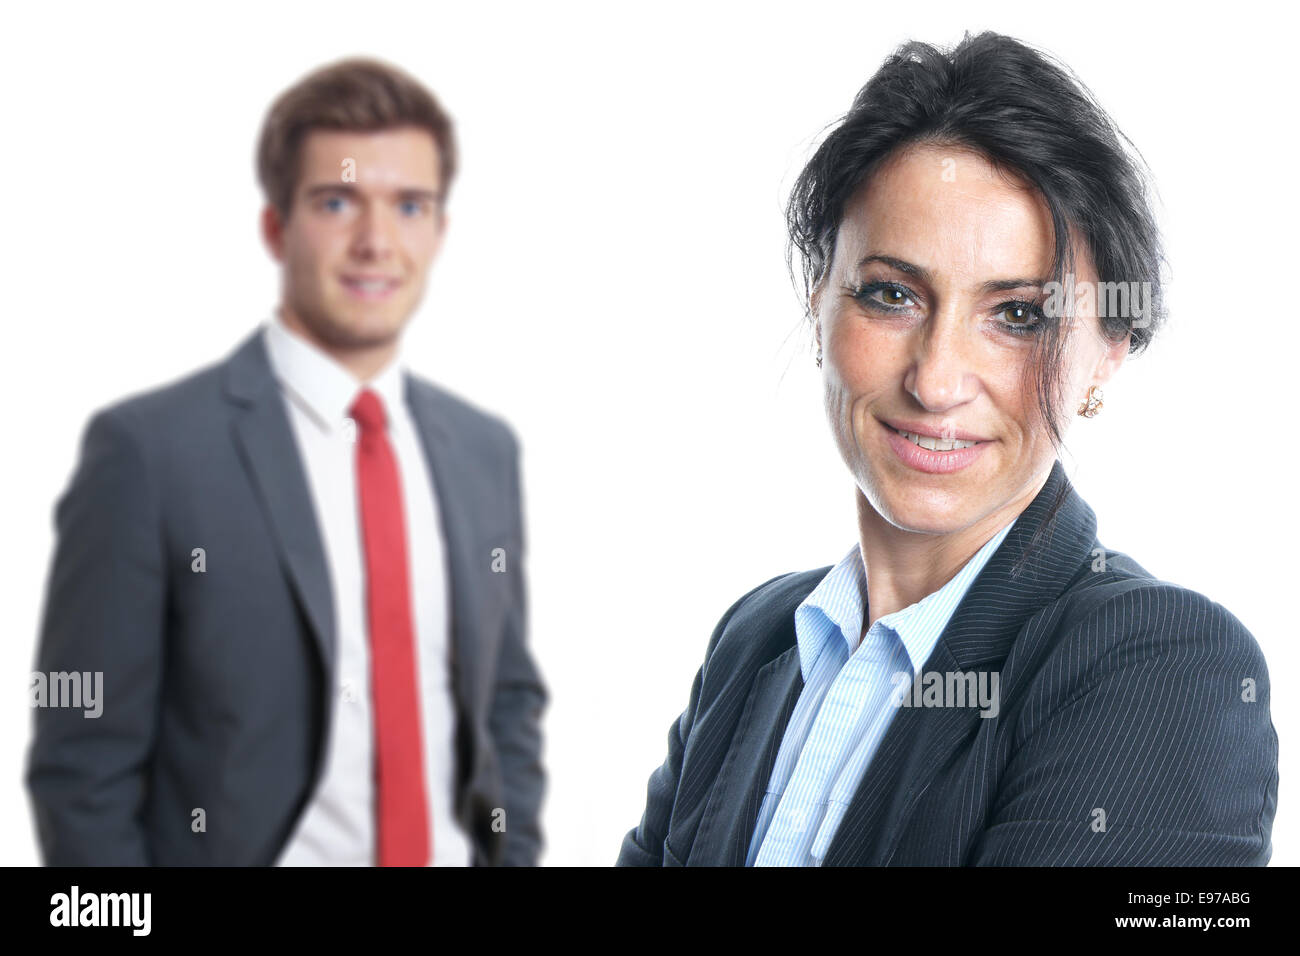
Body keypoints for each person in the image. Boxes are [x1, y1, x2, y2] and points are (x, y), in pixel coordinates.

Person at [617, 32, 1277, 866]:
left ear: (1108, 350)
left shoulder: (1167, 671)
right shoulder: (757, 642)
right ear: (820, 300)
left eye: (1018, 316)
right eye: (891, 295)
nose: (936, 381)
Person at [26, 57, 546, 866]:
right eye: (337, 202)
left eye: (409, 206)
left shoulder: (483, 451)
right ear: (276, 226)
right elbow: (81, 758)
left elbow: (506, 704)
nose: (377, 242)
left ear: (439, 230)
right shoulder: (149, 453)